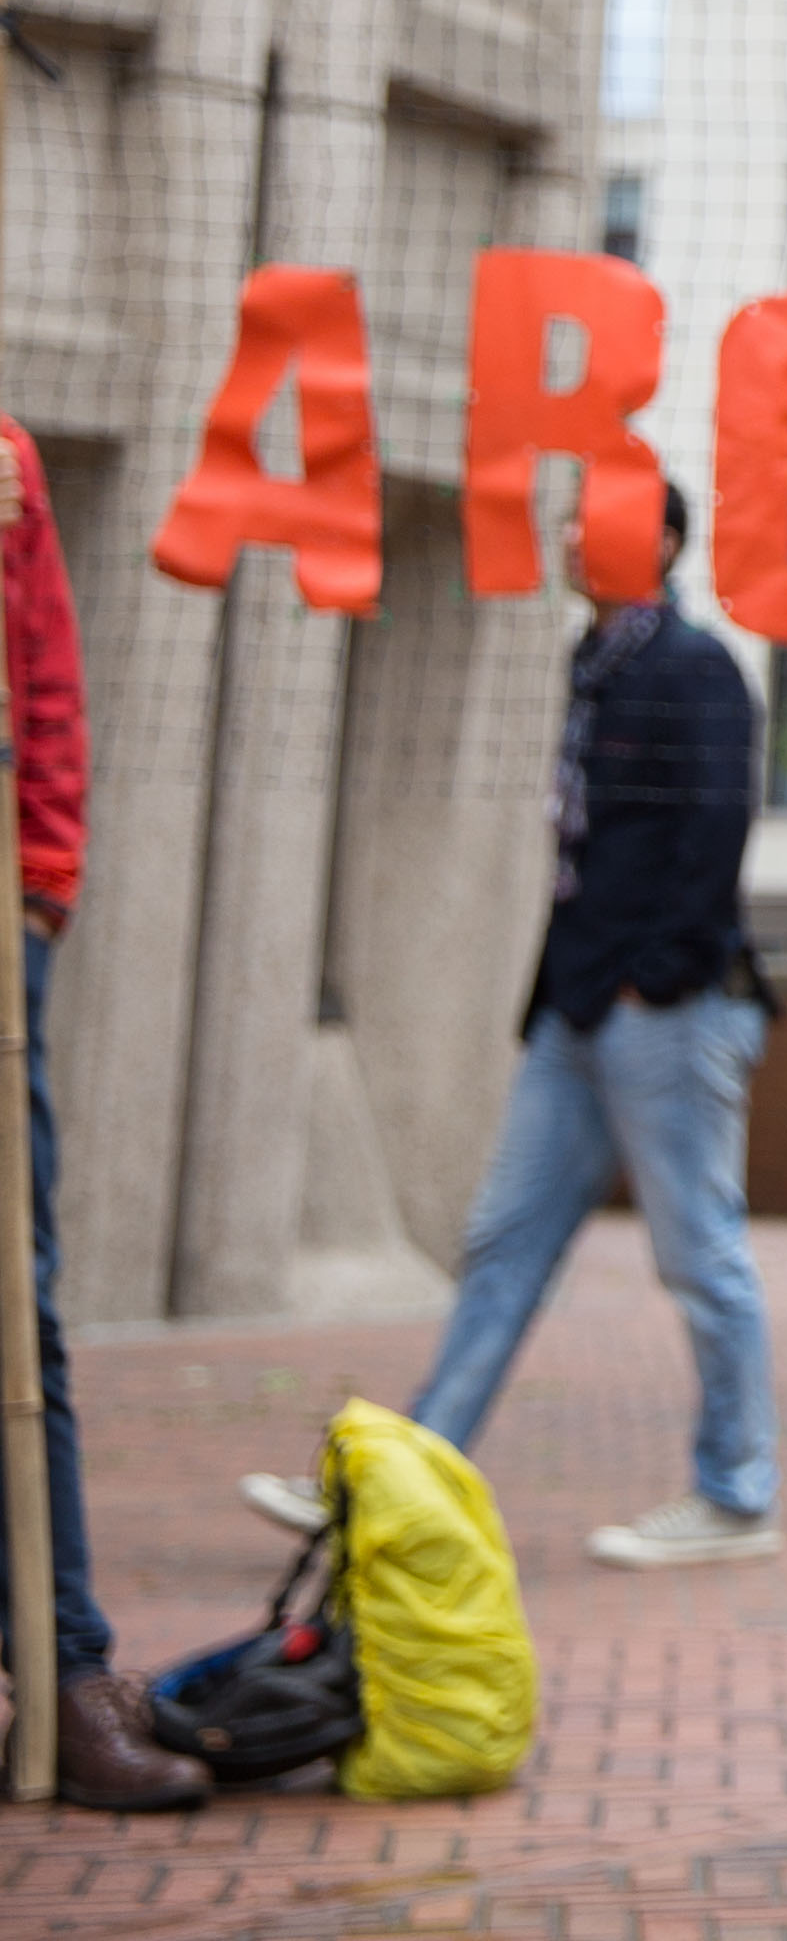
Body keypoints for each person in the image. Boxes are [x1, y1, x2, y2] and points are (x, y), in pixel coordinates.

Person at [261, 485, 787, 1569]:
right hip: (573, 1013)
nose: (574, 537)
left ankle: (736, 1495)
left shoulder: (696, 669)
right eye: (574, 520)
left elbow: (715, 830)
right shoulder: (588, 665)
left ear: (664, 544)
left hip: (667, 1015)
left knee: (700, 1254)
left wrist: (655, 980)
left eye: (602, 522)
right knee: (502, 1243)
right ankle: (400, 1485)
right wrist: (577, 993)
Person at [8, 421, 216, 1808]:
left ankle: (67, 1675)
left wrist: (43, 886)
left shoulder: (5, 462)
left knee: (16, 1304)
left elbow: (45, 683)